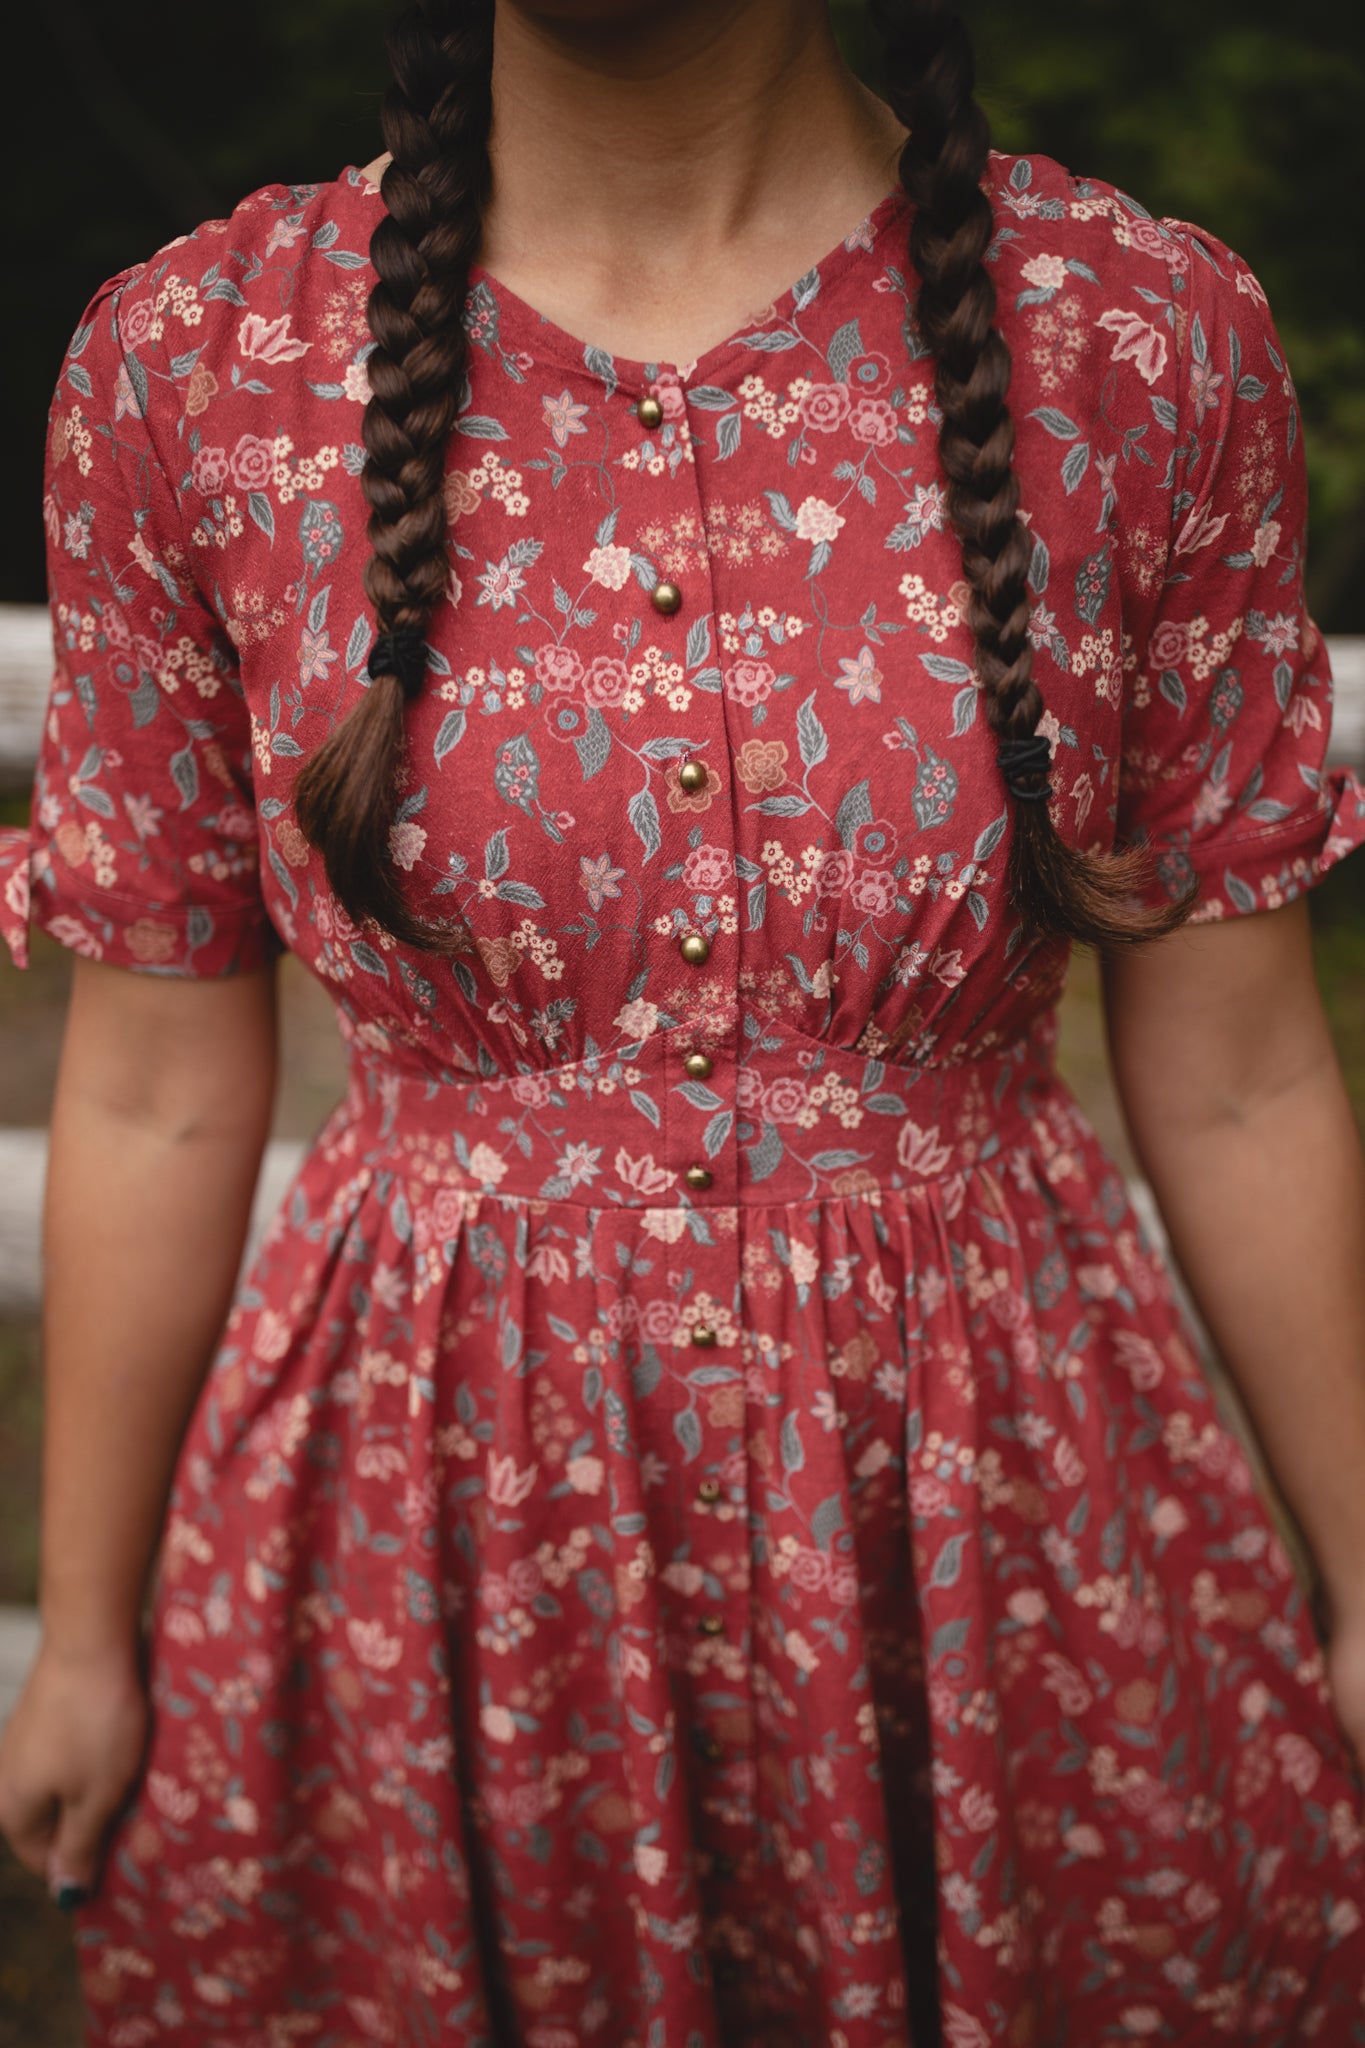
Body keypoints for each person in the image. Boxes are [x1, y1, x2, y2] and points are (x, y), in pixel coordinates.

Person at [2, 0, 1365, 2038]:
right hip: (424, 1528)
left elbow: (1242, 1065)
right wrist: (86, 1630)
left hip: (993, 1530)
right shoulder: (196, 368)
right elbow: (153, 1095)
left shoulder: (1136, 340)